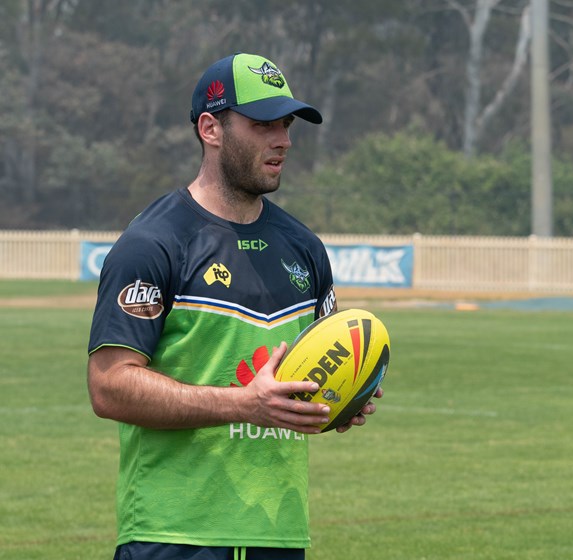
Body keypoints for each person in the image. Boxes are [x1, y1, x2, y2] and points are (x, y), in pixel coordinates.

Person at [87, 52, 380, 560]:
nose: (283, 140)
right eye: (264, 124)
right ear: (211, 129)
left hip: (278, 532)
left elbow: (307, 374)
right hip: (172, 535)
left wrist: (339, 401)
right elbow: (109, 387)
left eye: (286, 124)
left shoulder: (305, 248)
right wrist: (244, 404)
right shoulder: (153, 243)